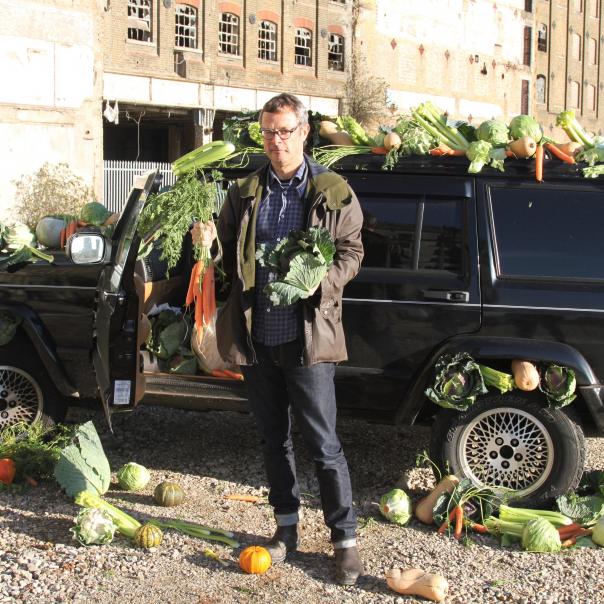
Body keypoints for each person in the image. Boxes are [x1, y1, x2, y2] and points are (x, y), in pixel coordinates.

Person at [192, 92, 364, 585]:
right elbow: (229, 256)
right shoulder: (245, 191)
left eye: (285, 131)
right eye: (269, 132)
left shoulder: (332, 191)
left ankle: (344, 541)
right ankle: (286, 530)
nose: (276, 141)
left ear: (304, 132)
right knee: (274, 440)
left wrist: (321, 281)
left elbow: (352, 252)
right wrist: (207, 246)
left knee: (324, 444)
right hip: (258, 339)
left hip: (308, 341)